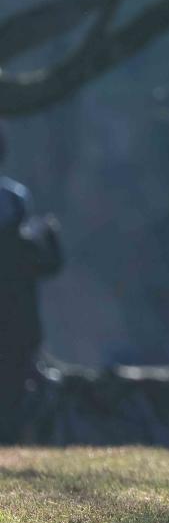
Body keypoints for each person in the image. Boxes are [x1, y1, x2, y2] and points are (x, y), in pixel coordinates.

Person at [0, 124, 63, 444]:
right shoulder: (16, 200)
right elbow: (48, 264)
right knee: (12, 387)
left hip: (16, 319)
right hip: (19, 319)